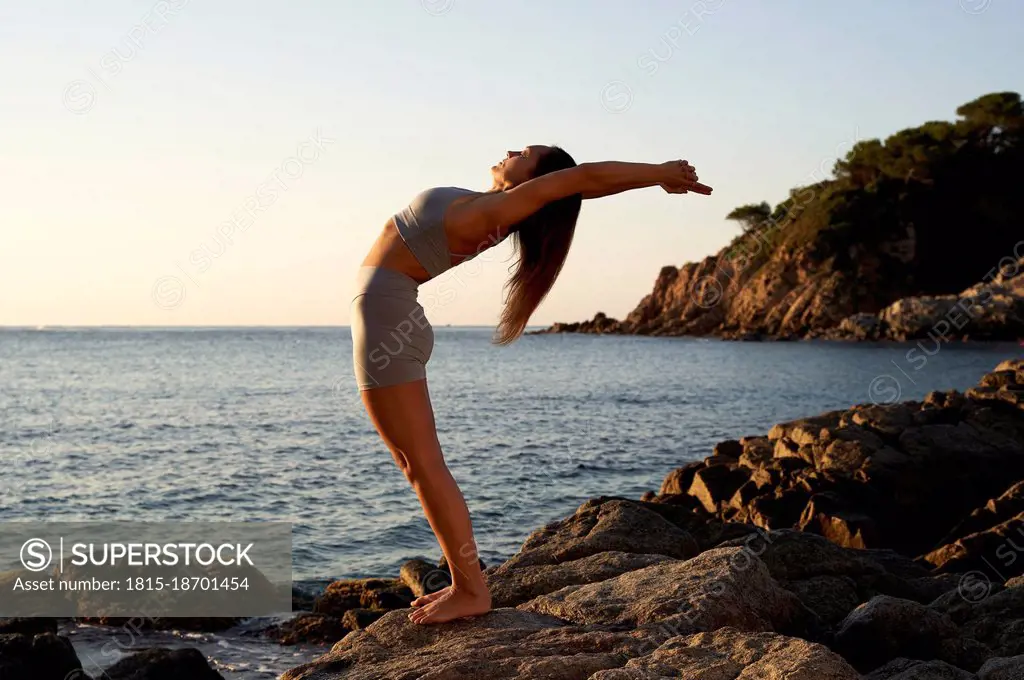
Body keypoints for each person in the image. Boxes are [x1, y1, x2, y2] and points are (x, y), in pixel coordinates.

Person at [350, 145, 711, 624]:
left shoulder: (500, 209)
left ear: (537, 179)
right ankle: (467, 584)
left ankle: (470, 589)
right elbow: (576, 185)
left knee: (422, 465)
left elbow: (582, 179)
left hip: (388, 323)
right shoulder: (489, 202)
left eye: (526, 152)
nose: (511, 150)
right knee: (415, 463)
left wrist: (658, 173)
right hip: (387, 320)